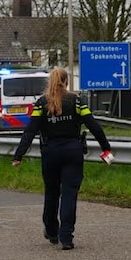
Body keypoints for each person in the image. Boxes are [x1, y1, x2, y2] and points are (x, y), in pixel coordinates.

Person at [12, 67, 112, 250]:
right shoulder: (76, 102)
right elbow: (94, 126)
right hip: (73, 152)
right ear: (66, 82)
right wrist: (106, 148)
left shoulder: (41, 104)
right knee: (69, 193)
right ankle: (66, 237)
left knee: (51, 192)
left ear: (50, 81)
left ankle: (51, 231)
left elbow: (30, 130)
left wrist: (19, 155)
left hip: (50, 153)